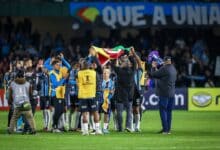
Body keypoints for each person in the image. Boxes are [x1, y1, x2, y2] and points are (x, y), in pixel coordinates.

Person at [111, 47, 140, 132]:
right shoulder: (132, 71)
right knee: (129, 111)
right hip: (130, 95)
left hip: (120, 95)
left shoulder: (119, 71)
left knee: (119, 112)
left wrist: (116, 56)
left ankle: (120, 128)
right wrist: (130, 54)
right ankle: (128, 126)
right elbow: (134, 62)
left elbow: (113, 65)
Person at [150, 56, 177, 134]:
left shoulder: (164, 68)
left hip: (164, 93)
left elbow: (154, 74)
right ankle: (168, 129)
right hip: (172, 93)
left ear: (165, 61)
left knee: (163, 111)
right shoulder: (173, 68)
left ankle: (165, 129)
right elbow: (161, 75)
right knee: (169, 111)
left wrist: (153, 67)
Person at [76, 59, 101, 135]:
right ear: (89, 66)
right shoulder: (94, 73)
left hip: (83, 96)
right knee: (95, 112)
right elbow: (98, 83)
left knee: (84, 113)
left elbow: (77, 83)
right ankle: (97, 129)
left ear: (83, 66)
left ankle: (86, 131)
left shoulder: (79, 73)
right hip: (92, 95)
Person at [8, 69, 36, 134]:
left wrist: (10, 102)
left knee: (14, 118)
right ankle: (33, 130)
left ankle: (10, 130)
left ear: (17, 76)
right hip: (26, 103)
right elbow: (30, 94)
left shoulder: (12, 84)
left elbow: (10, 95)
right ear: (24, 76)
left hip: (17, 104)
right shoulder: (27, 83)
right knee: (30, 117)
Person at [49, 60, 68, 133]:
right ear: (53, 66)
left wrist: (63, 59)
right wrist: (63, 79)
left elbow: (69, 67)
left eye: (60, 65)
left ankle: (58, 126)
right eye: (57, 65)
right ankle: (54, 127)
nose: (59, 66)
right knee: (57, 111)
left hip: (61, 94)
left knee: (62, 110)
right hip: (55, 94)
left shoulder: (60, 72)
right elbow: (55, 84)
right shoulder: (52, 73)